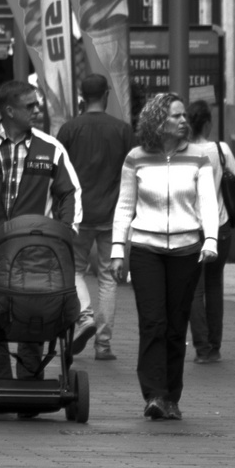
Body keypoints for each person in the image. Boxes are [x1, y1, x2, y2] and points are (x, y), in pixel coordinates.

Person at [0, 80, 95, 385]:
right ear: (9, 110)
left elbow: (70, 193)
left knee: (36, 316)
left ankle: (30, 384)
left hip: (38, 253)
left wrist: (66, 230)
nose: (37, 111)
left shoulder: (51, 149)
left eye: (37, 105)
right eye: (30, 106)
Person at [112, 92, 222, 421]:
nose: (183, 120)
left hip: (187, 250)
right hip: (146, 249)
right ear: (159, 121)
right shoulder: (136, 158)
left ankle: (172, 395)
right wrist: (118, 249)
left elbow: (207, 202)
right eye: (176, 116)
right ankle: (154, 394)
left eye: (184, 116)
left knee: (176, 325)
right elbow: (124, 206)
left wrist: (211, 240)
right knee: (152, 322)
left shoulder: (199, 157)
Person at [54, 73, 137, 361]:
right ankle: (103, 345)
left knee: (74, 271)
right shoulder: (123, 130)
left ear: (81, 96)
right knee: (108, 277)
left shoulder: (68, 129)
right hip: (112, 214)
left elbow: (59, 172)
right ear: (106, 95)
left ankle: (84, 316)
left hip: (76, 214)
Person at [184, 99, 235, 364]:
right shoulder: (221, 149)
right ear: (207, 123)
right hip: (221, 226)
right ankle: (215, 346)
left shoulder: (182, 151)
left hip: (193, 229)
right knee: (215, 284)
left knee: (195, 289)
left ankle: (202, 348)